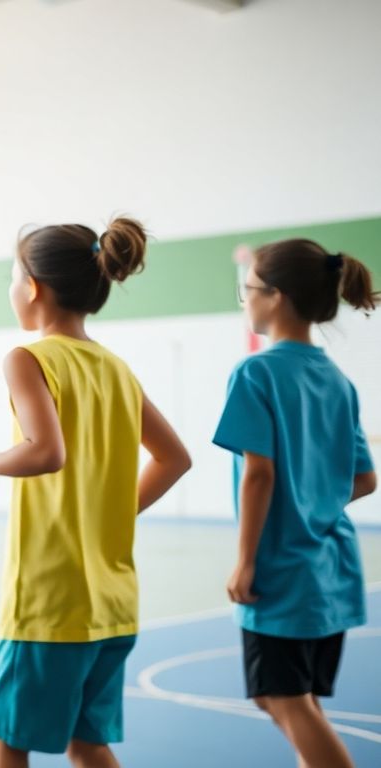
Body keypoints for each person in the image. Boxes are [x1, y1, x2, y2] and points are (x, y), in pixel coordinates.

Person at [0, 218, 191, 767]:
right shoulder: (116, 369)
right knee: (86, 744)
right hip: (114, 601)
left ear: (32, 287)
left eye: (12, 277)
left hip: (50, 601)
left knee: (3, 742)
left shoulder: (27, 359)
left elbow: (46, 451)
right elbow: (175, 458)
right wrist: (112, 510)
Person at [214, 238, 377, 768]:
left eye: (248, 289)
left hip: (282, 575)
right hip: (332, 571)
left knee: (281, 699)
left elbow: (258, 475)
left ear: (276, 297)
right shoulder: (337, 380)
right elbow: (365, 479)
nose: (244, 299)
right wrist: (312, 500)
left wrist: (245, 560)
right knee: (297, 701)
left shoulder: (255, 372)